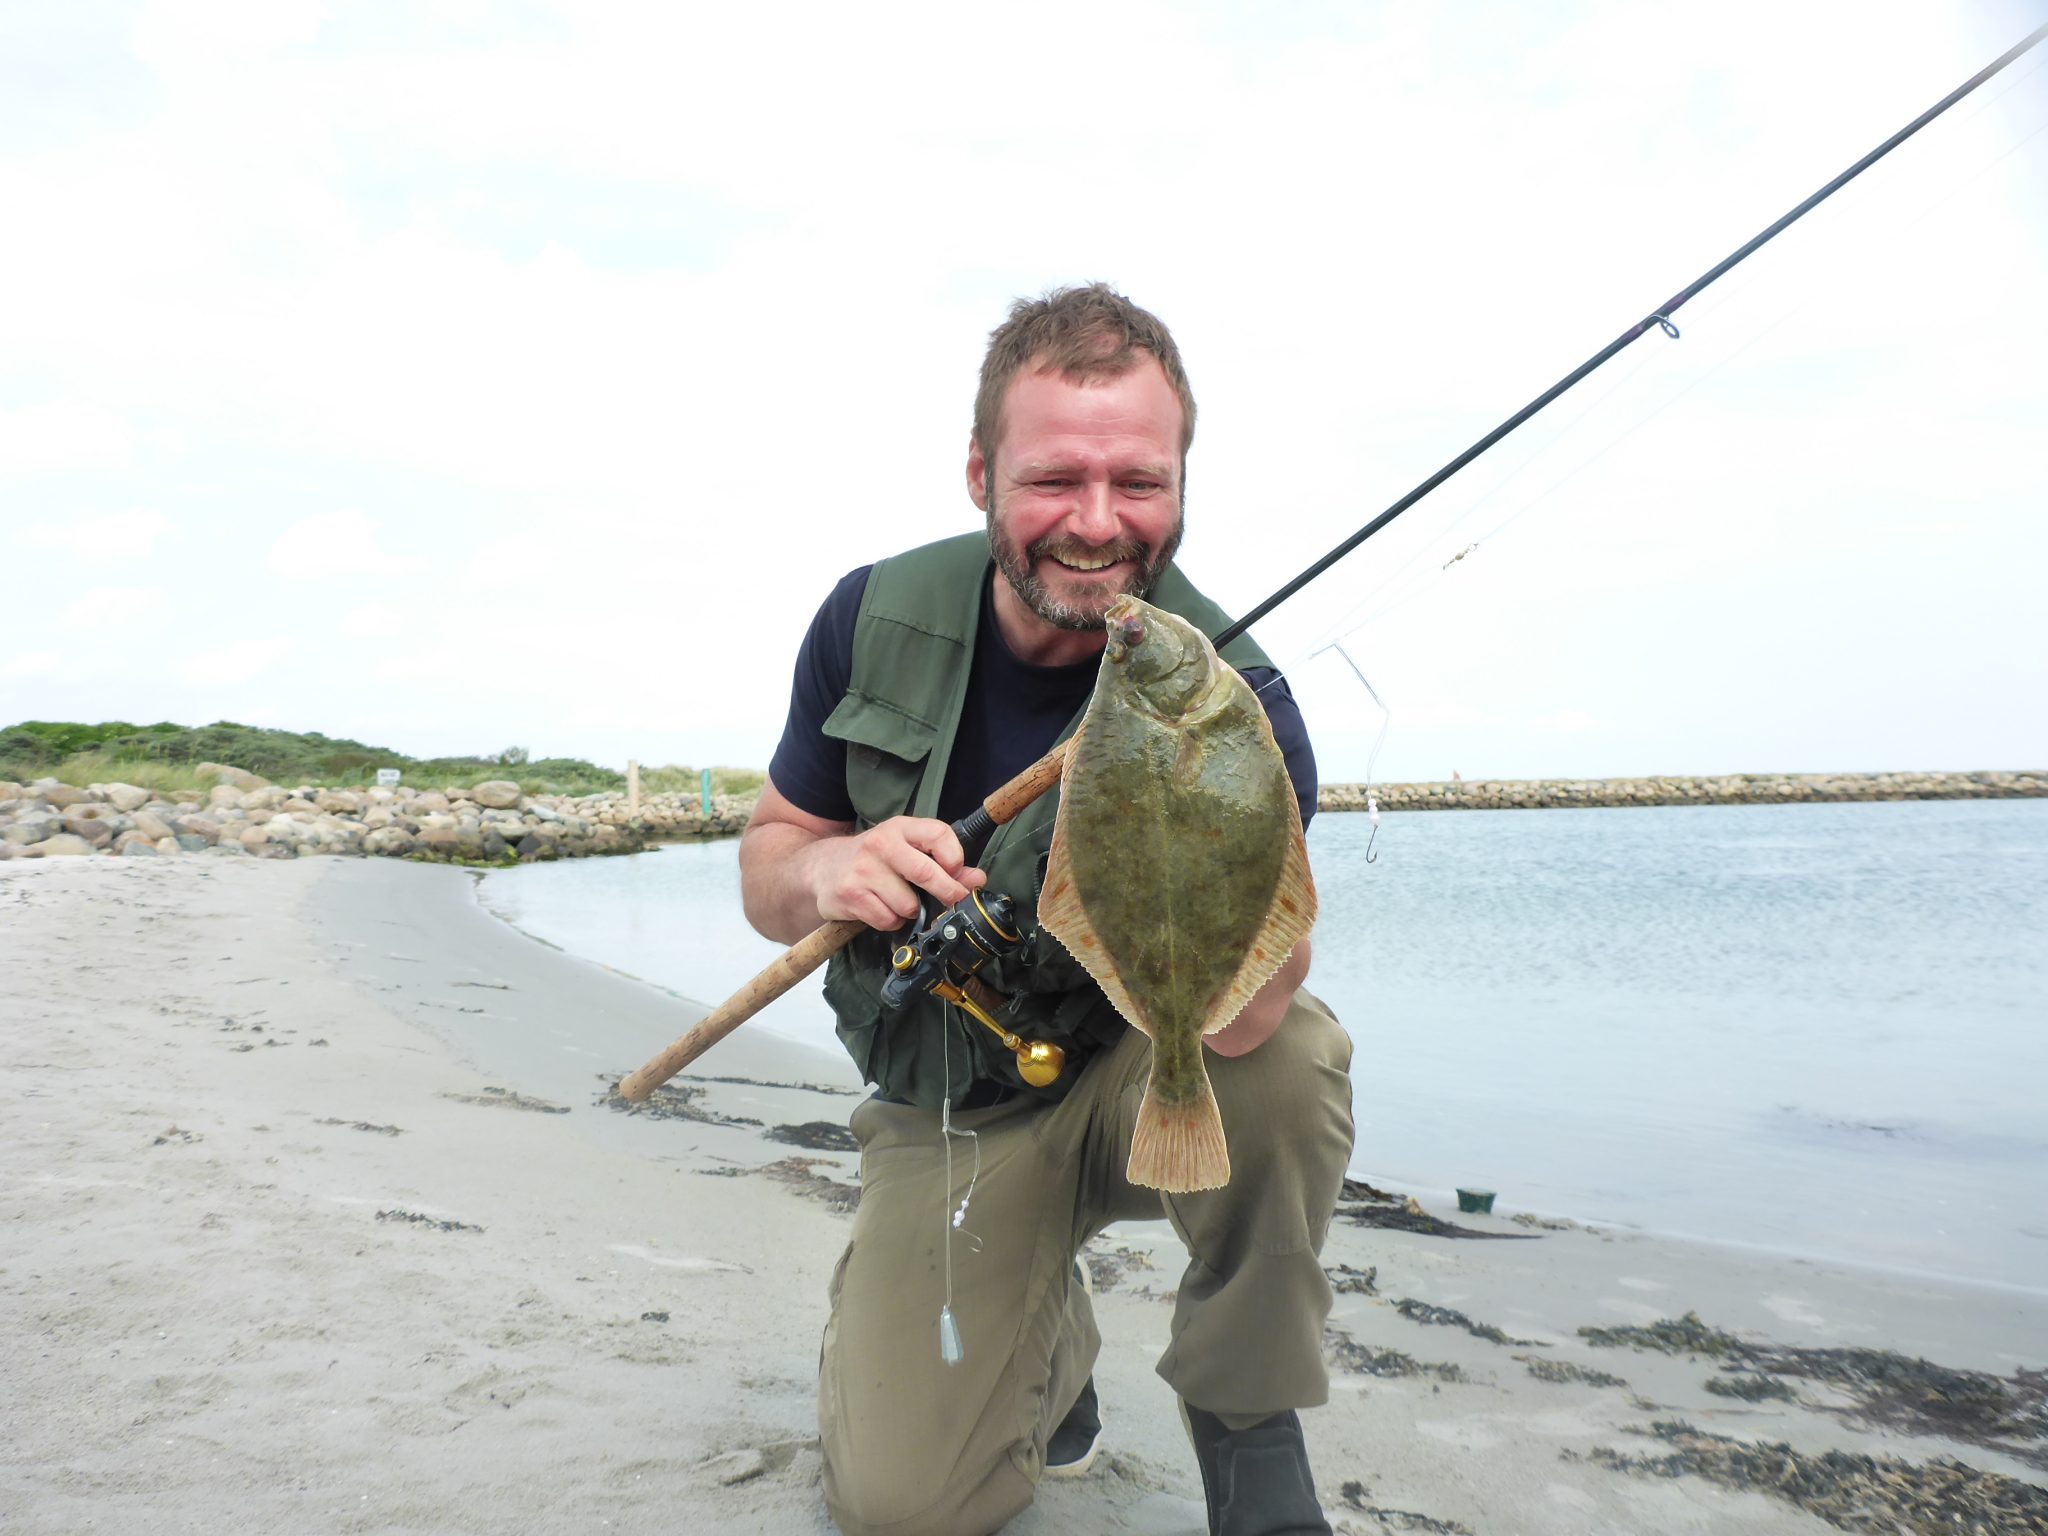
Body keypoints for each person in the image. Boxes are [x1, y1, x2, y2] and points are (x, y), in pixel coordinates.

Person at [741, 283, 1355, 1536]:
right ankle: (1046, 1336)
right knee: (902, 1508)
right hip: (956, 1102)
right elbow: (769, 862)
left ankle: (1246, 1420)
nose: (1094, 524)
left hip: (1143, 1070)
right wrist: (827, 871)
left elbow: (1244, 1023)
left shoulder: (1241, 692)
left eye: (1137, 482)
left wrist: (1248, 926)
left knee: (1284, 1062)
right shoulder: (869, 620)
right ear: (979, 472)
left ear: (1182, 478)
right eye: (1051, 480)